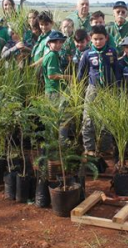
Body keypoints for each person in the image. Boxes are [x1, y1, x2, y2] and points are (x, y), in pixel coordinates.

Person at [77, 25, 121, 156]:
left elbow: (116, 70)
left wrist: (117, 88)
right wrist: (82, 90)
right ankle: (89, 148)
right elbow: (81, 74)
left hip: (108, 89)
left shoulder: (111, 52)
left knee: (106, 118)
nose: (98, 41)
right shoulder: (87, 54)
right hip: (93, 89)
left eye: (101, 39)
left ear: (106, 38)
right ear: (90, 39)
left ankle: (105, 147)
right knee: (88, 119)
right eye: (95, 39)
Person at [43, 30, 70, 97]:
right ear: (49, 43)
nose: (58, 45)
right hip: (53, 91)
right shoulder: (52, 55)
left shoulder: (52, 54)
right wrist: (68, 77)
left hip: (53, 89)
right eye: (55, 42)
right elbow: (51, 75)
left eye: (60, 42)